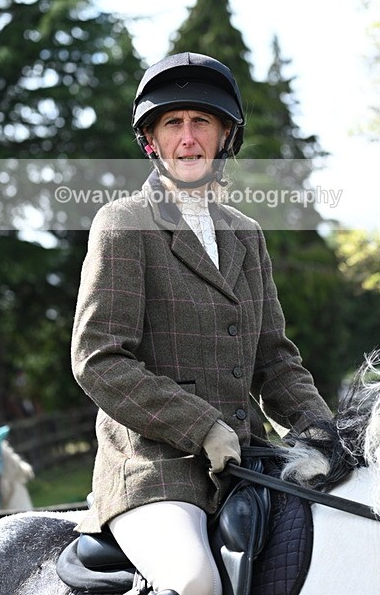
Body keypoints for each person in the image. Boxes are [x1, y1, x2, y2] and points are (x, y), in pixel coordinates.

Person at [71, 52, 332, 595]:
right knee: (195, 583)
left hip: (246, 462)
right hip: (155, 468)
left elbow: (275, 360)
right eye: (173, 123)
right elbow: (99, 359)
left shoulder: (246, 233)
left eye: (201, 122)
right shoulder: (123, 224)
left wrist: (322, 433)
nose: (188, 138)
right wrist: (200, 426)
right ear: (152, 140)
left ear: (224, 137)